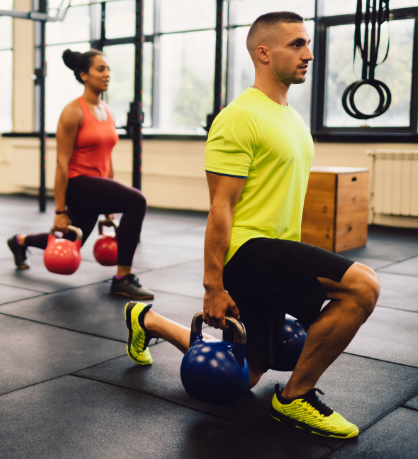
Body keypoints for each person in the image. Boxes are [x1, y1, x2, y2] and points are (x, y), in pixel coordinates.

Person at [124, 12, 380, 439]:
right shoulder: (240, 117)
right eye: (297, 44)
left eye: (307, 45)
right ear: (264, 52)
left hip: (276, 250)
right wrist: (213, 285)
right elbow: (221, 206)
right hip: (249, 253)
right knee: (363, 285)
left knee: (244, 378)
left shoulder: (292, 118)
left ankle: (147, 320)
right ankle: (296, 398)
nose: (309, 54)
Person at [7, 49, 154, 300]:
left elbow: (107, 159)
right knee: (136, 200)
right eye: (100, 69)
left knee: (72, 240)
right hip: (77, 184)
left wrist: (109, 204)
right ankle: (122, 278)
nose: (107, 74)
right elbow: (61, 163)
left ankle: (19, 241)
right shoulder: (72, 111)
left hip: (96, 185)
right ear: (84, 75)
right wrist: (60, 211)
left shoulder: (108, 112)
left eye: (108, 69)